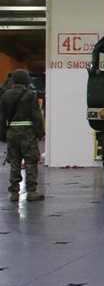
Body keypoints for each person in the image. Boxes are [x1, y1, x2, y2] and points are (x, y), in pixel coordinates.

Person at [2, 69, 45, 202]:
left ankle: (14, 192)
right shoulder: (31, 95)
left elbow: (1, 117)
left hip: (12, 132)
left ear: (13, 81)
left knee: (14, 162)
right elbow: (36, 116)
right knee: (31, 161)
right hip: (27, 131)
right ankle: (31, 191)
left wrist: (3, 135)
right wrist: (40, 133)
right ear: (26, 81)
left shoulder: (5, 96)